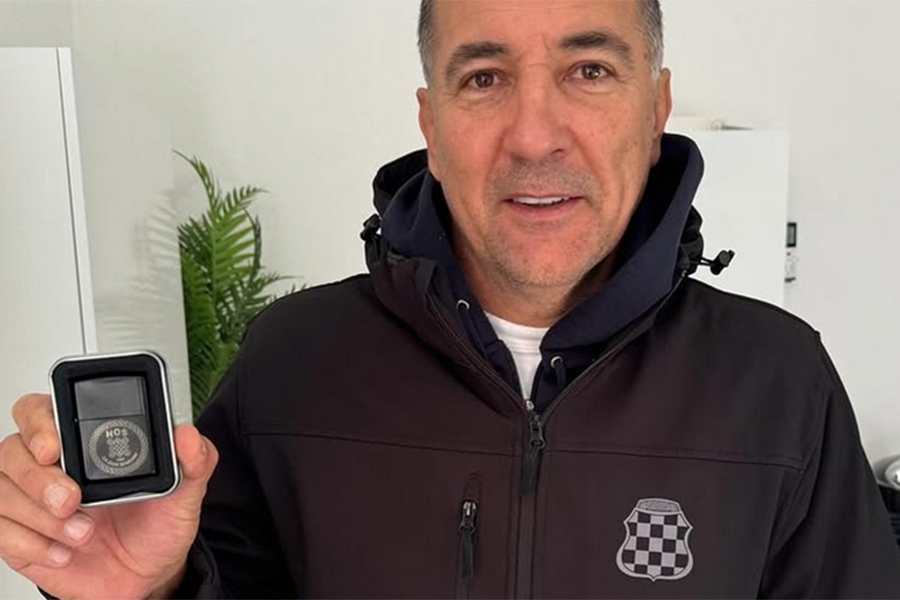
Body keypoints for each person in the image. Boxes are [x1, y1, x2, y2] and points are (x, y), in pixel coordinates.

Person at [2, 0, 899, 597]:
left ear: (654, 108)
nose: (535, 135)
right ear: (430, 124)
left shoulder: (779, 381)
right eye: (484, 78)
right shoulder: (291, 360)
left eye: (590, 69)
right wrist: (153, 591)